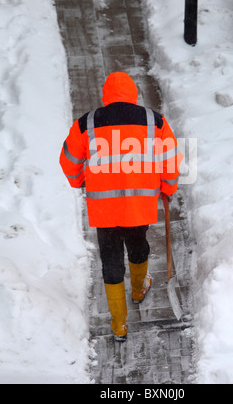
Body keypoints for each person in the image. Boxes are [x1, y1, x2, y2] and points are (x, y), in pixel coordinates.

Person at [60, 72, 181, 342]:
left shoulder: (87, 123)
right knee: (139, 246)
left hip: (104, 210)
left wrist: (80, 181)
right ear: (134, 94)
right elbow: (171, 159)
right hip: (139, 207)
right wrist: (168, 188)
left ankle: (119, 325)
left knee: (111, 261)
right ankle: (139, 290)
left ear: (105, 96)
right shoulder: (154, 121)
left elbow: (68, 161)